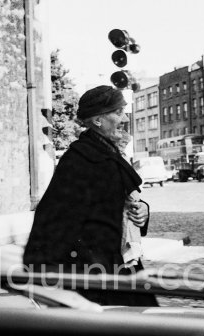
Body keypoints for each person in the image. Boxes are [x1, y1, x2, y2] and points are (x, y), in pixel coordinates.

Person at [23, 85, 153, 305]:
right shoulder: (78, 160)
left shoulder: (110, 153)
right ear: (98, 120)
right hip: (94, 271)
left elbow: (118, 200)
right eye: (118, 112)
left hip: (121, 262)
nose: (123, 119)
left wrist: (143, 210)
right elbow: (52, 217)